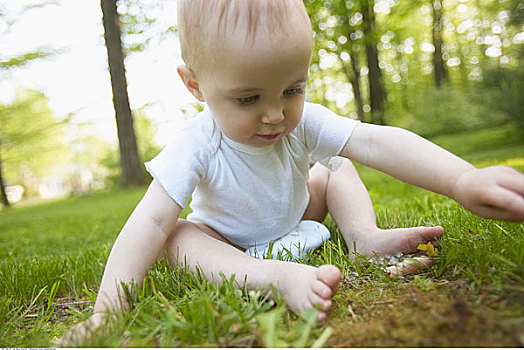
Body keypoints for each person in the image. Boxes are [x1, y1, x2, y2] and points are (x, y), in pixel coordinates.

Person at [57, 0, 524, 344]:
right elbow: (149, 221)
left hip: (300, 212)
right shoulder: (196, 143)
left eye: (292, 89)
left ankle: (363, 236)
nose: (276, 115)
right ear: (195, 85)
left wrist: (463, 179)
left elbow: (374, 140)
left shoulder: (301, 120)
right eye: (248, 99)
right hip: (229, 242)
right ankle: (274, 277)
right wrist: (106, 311)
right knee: (177, 237)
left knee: (337, 165)